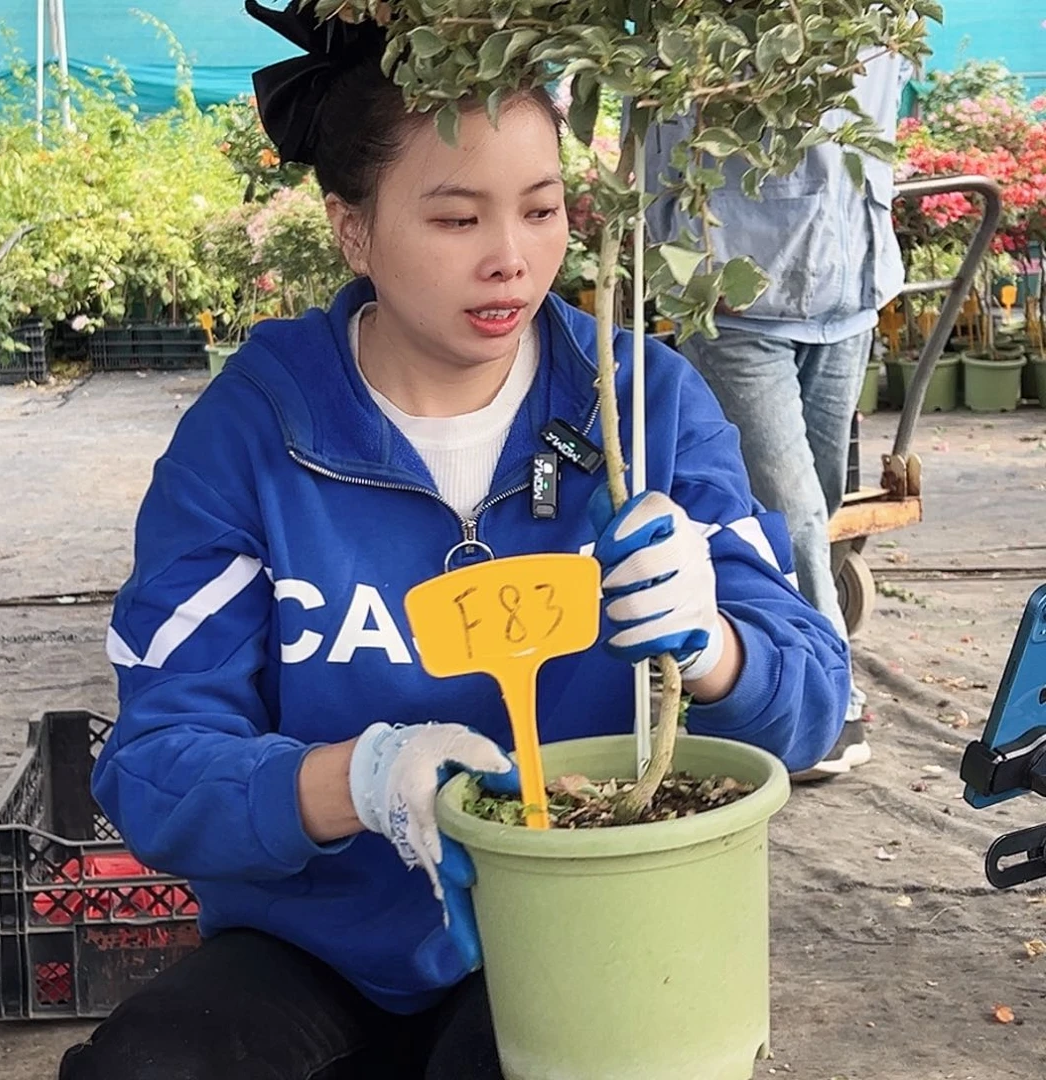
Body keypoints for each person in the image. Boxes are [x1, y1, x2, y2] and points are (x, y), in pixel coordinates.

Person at [59, 4, 850, 1078]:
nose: (511, 260)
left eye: (542, 209)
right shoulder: (254, 432)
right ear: (352, 229)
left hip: (580, 924)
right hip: (312, 944)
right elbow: (154, 767)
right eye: (455, 220)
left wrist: (714, 645)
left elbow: (809, 705)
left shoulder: (642, 407)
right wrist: (358, 780)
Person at [645, 50, 911, 782]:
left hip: (847, 286)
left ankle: (776, 656)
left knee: (815, 505)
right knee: (789, 508)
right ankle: (823, 706)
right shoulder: (711, 31)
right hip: (736, 291)